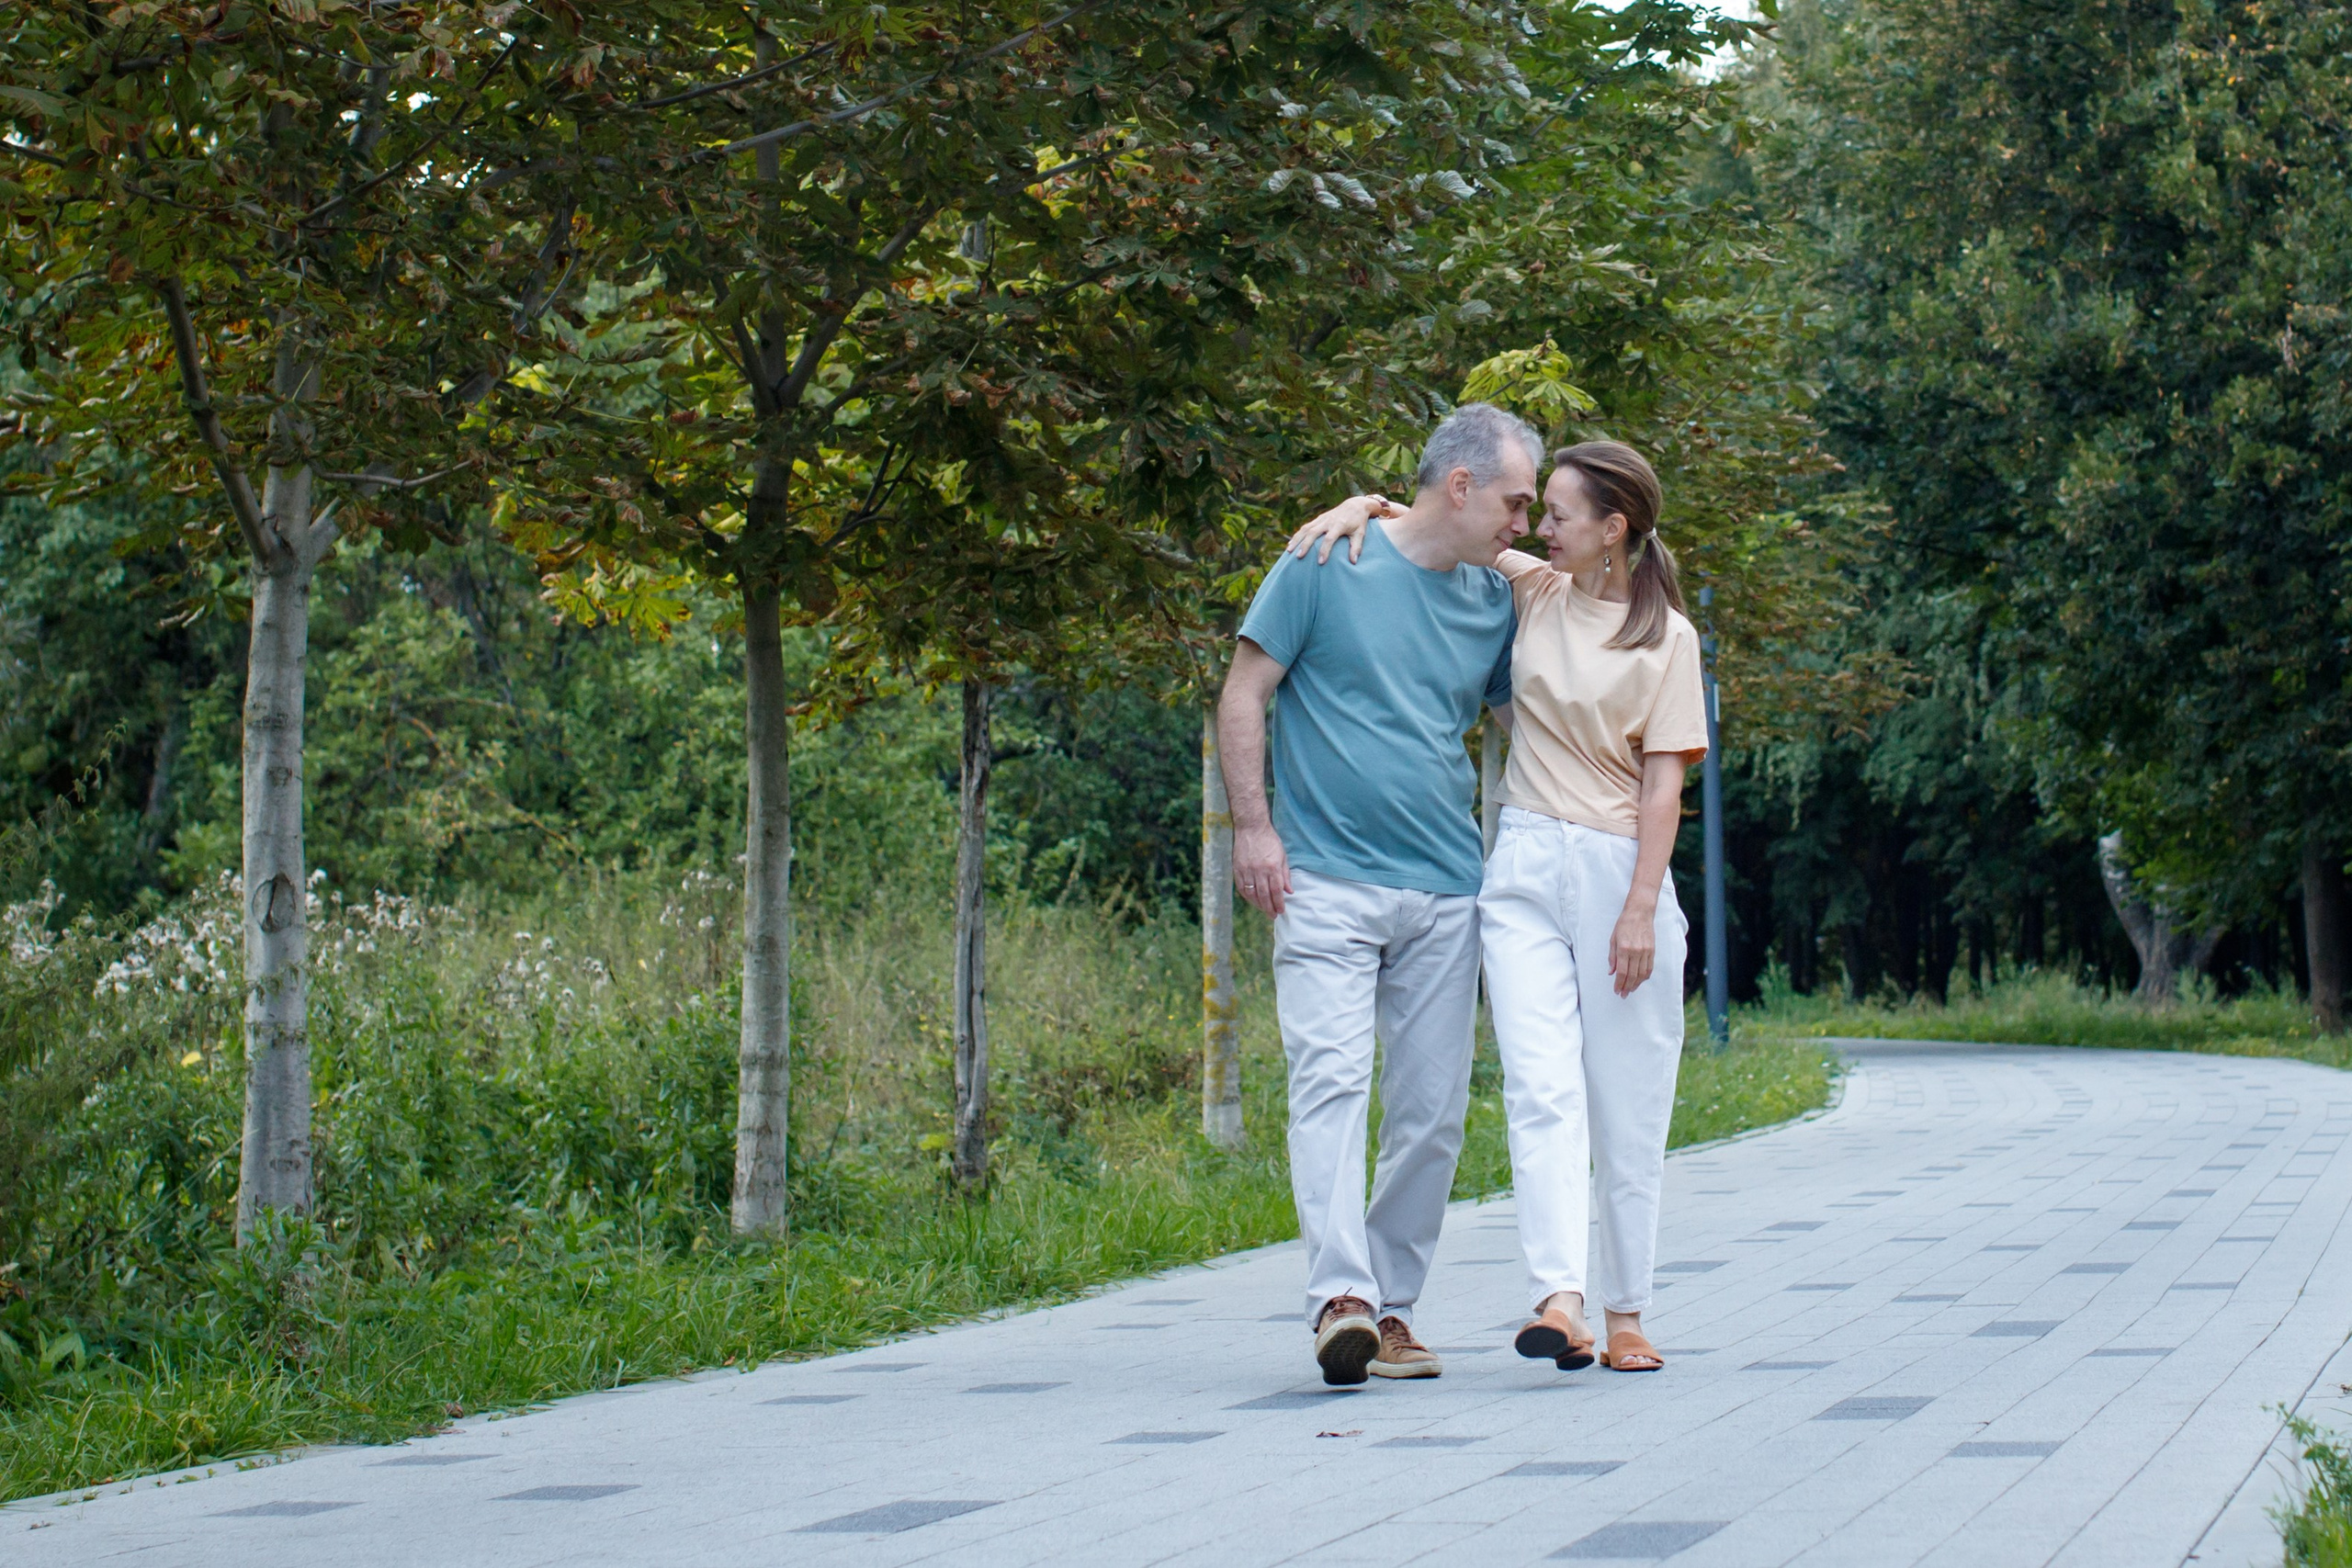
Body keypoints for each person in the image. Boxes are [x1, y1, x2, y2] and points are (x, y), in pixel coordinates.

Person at [1285, 439, 1706, 1376]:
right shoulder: (1533, 591)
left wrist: (1639, 909)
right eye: (1535, 512)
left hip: (1618, 876)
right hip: (1518, 869)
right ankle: (1559, 1298)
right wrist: (1355, 506)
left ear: (1612, 531)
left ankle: (1627, 1309)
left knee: (1626, 1104)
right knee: (1540, 1090)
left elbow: (1662, 788)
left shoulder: (1666, 638)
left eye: (1555, 515)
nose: (1536, 529)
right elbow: (1433, 522)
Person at [1218, 403, 1536, 1386]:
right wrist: (1253, 826)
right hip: (1320, 880)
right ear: (1461, 486)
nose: (1521, 523)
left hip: (1445, 890)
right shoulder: (1323, 564)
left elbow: (1546, 672)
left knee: (1433, 1113)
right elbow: (1243, 693)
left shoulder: (1490, 600)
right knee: (1329, 1085)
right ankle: (1340, 1299)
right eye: (1515, 502)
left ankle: (1393, 1309)